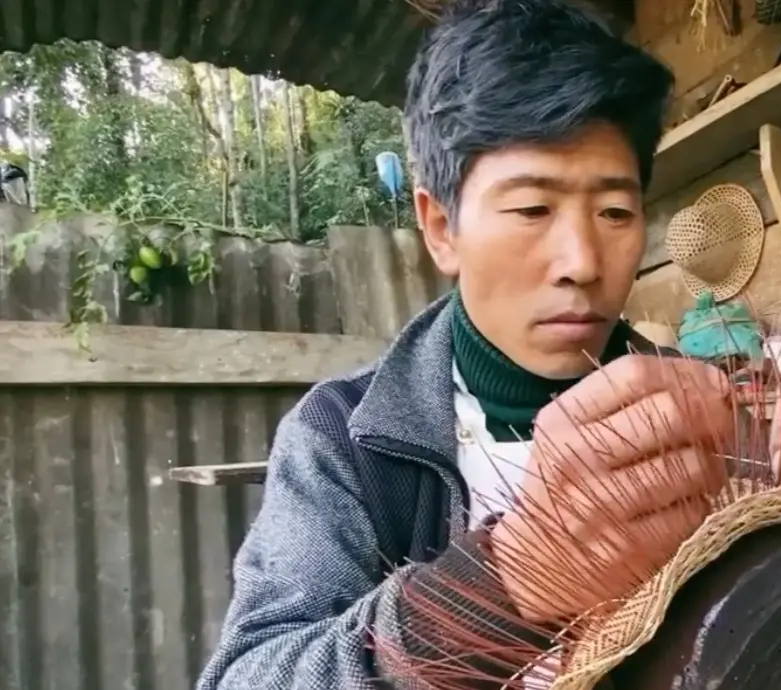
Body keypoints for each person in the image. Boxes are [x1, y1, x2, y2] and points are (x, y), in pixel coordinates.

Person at [196, 1, 734, 688]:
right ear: (442, 227)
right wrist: (508, 582)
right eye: (533, 209)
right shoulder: (346, 442)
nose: (582, 261)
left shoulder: (702, 422)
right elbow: (249, 676)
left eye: (615, 213)